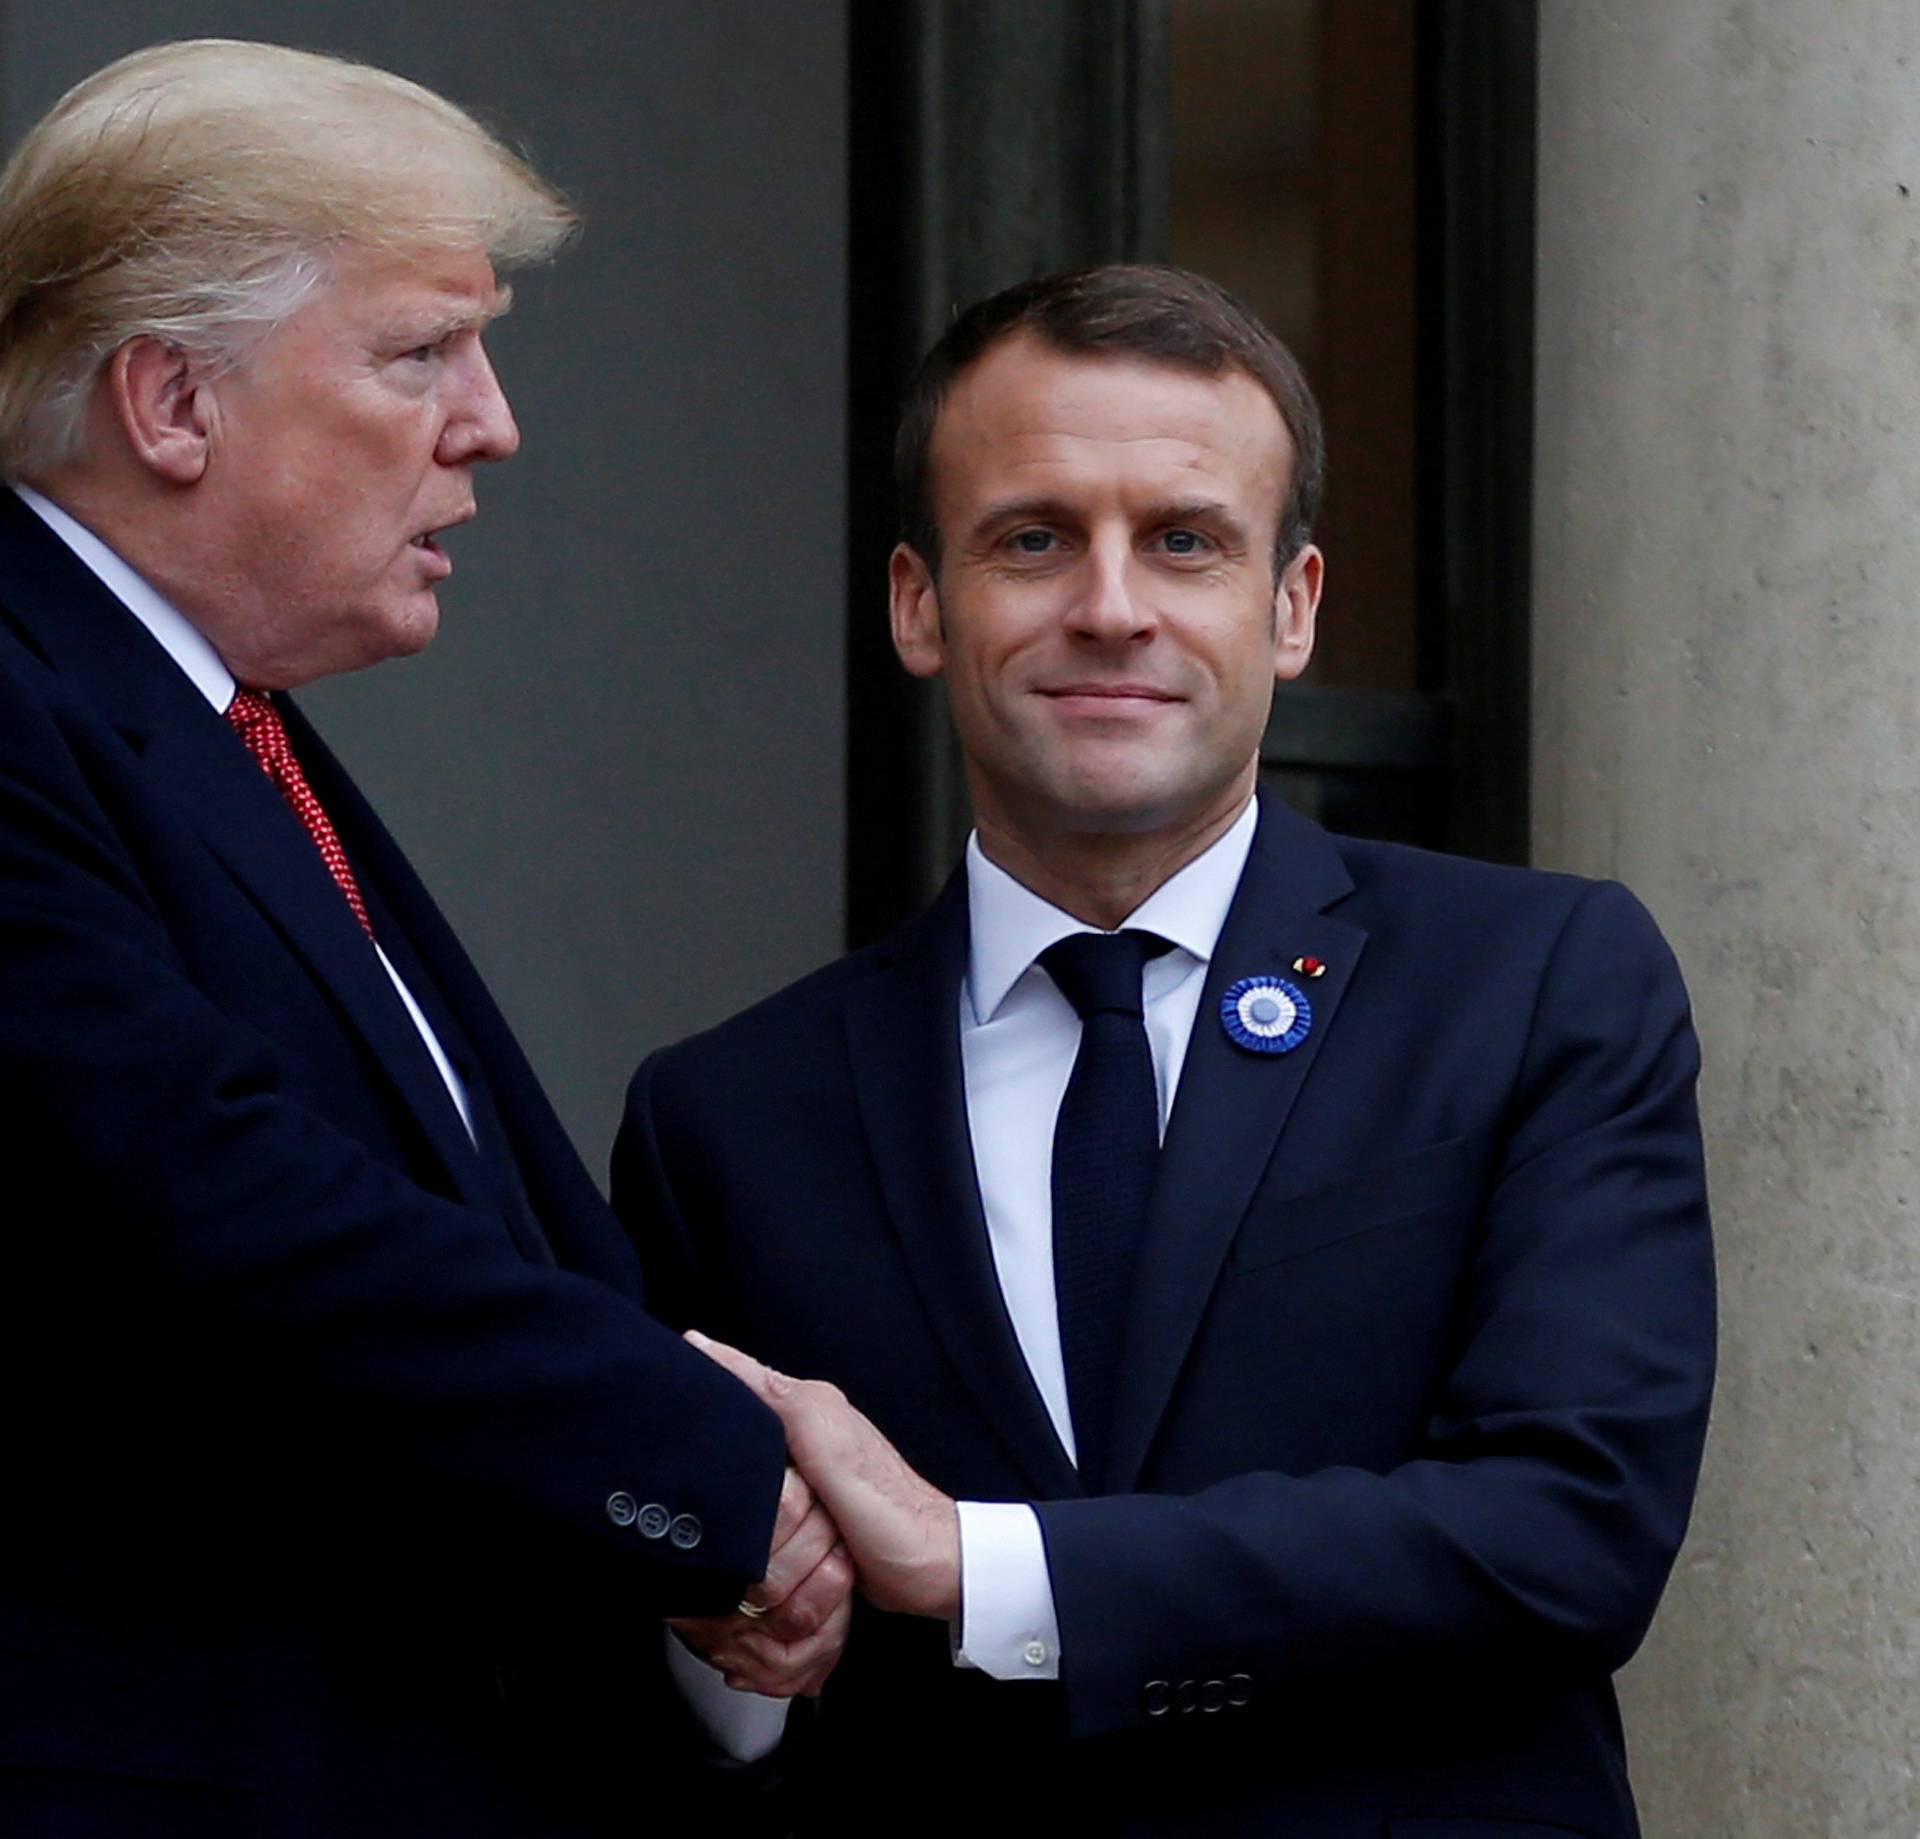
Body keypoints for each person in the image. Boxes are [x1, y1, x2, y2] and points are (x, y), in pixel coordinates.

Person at [616, 265, 1715, 1836]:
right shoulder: (726, 1117)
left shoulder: (1534, 983)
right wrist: (723, 1635)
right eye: (1034, 538)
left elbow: (1572, 1532)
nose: (1112, 605)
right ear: (921, 605)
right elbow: (688, 1675)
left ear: (1293, 607)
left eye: (1184, 541)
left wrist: (979, 1566)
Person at [0, 40, 847, 1837]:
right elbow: (200, 1195)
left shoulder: (231, 722)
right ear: (170, 402)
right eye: (418, 351)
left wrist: (698, 1552)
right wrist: (715, 1477)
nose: (491, 419)